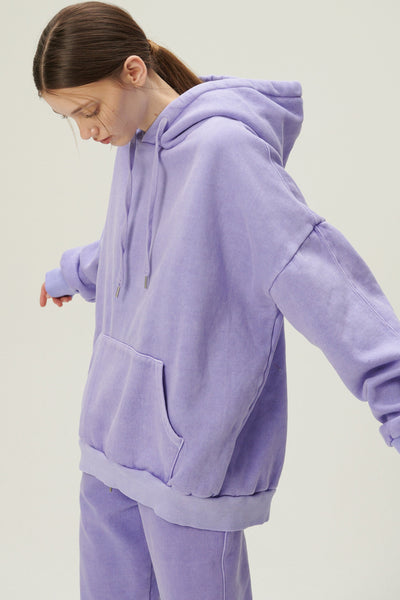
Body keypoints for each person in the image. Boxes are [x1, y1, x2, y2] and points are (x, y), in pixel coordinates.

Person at [34, 2, 400, 599]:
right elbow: (143, 245)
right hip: (108, 446)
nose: (86, 132)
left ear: (133, 71)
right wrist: (72, 273)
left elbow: (318, 276)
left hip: (188, 465)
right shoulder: (134, 144)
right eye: (70, 119)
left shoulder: (225, 151)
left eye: (89, 110)